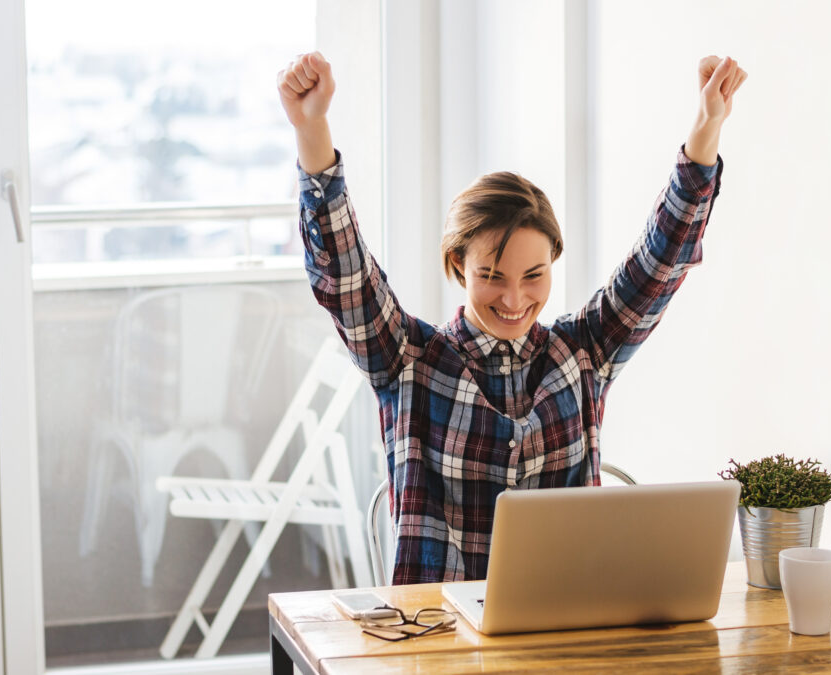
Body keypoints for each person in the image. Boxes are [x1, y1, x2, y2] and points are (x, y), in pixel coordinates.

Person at [278, 51, 746, 584]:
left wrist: (706, 127)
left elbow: (661, 261)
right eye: (493, 275)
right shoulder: (407, 358)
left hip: (566, 630)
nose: (515, 299)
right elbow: (345, 276)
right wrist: (311, 128)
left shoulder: (586, 350)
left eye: (534, 275)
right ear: (458, 265)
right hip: (438, 642)